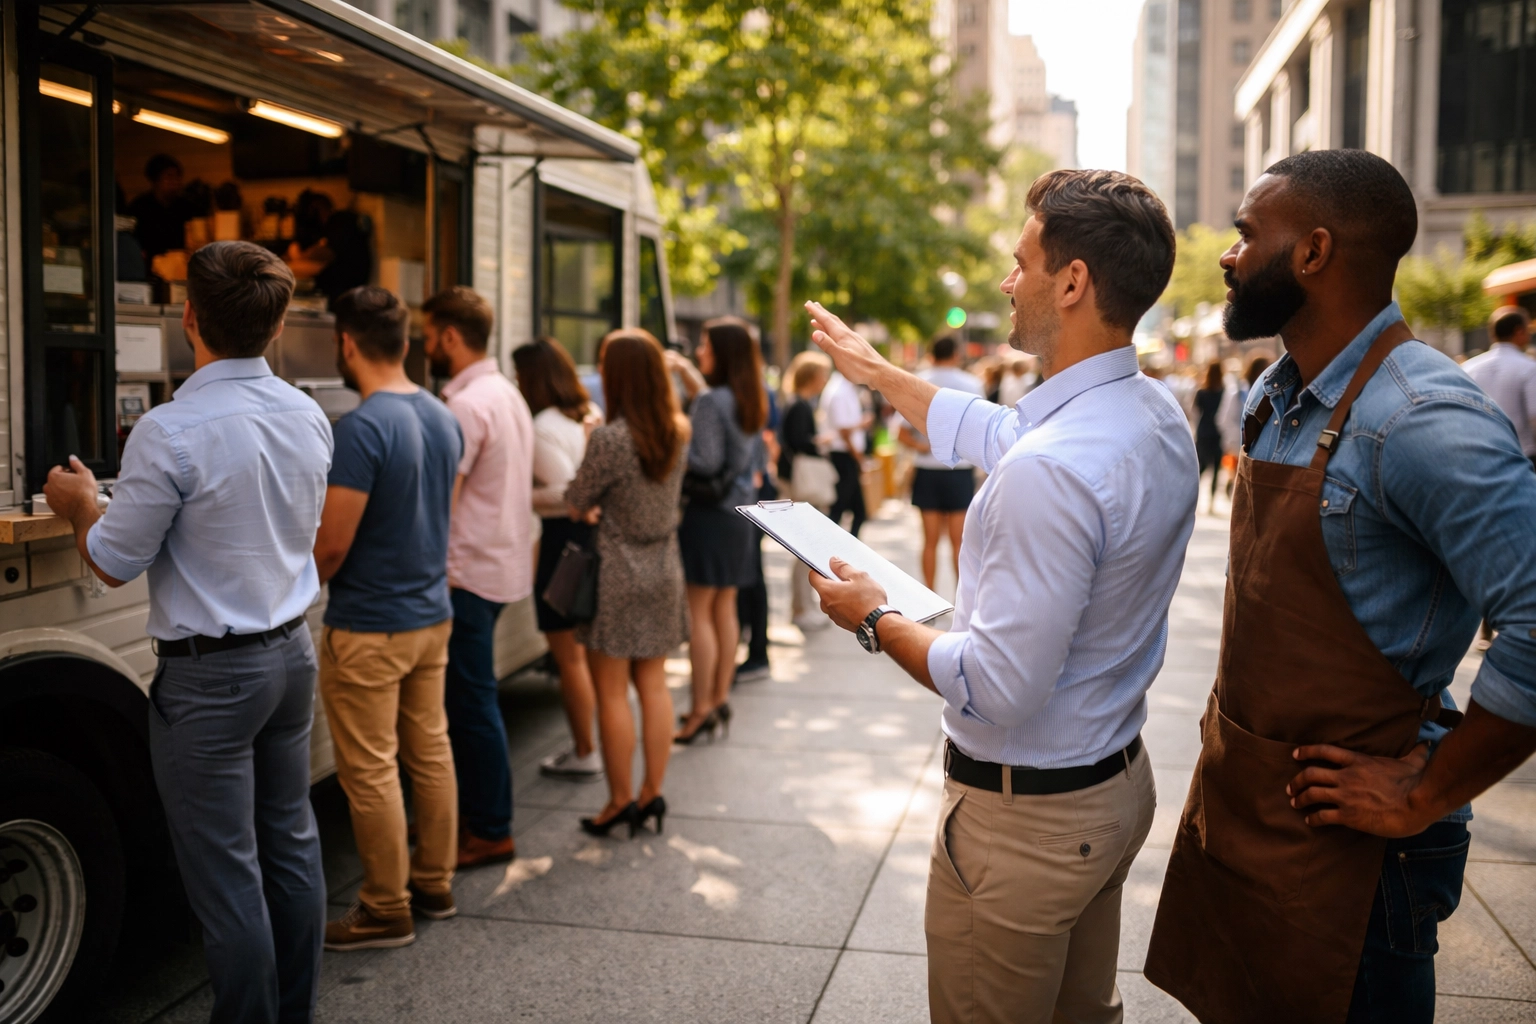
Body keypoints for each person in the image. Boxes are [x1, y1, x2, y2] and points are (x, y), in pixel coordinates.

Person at [1144, 149, 1536, 1024]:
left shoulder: (1422, 417)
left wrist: (1429, 790)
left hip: (1362, 862)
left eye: (1248, 234)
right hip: (1248, 817)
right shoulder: (1274, 396)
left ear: (1314, 252)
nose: (1229, 253)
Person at [804, 168, 1193, 1023]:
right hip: (1111, 790)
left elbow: (996, 687)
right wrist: (878, 373)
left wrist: (872, 613)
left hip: (1027, 824)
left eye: (1020, 262)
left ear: (1073, 281)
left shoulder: (1051, 471)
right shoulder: (1152, 413)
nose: (1006, 281)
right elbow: (997, 429)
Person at [44, 241, 331, 1024]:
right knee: (292, 848)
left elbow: (110, 561)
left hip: (211, 681)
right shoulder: (308, 413)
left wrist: (77, 503)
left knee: (227, 874)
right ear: (274, 328)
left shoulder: (169, 431)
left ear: (189, 318)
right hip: (289, 656)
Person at [312, 286, 463, 950]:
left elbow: (332, 545)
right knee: (429, 752)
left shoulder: (362, 428)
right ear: (406, 343)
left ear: (347, 344)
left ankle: (384, 907)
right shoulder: (440, 414)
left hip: (371, 624)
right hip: (431, 613)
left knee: (372, 769)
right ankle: (434, 882)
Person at [422, 286, 535, 867]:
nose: (423, 344)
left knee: (471, 706)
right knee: (475, 702)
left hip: (467, 573)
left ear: (449, 336)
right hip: (500, 565)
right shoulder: (505, 393)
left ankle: (490, 828)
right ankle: (482, 819)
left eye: (428, 333)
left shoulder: (466, 405)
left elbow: (444, 500)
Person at [564, 329, 690, 838]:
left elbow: (577, 498)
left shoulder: (609, 438)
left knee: (612, 692)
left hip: (615, 571)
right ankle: (650, 793)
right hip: (664, 567)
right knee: (654, 685)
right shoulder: (678, 431)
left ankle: (618, 802)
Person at [669, 317, 768, 743]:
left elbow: (705, 462)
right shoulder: (750, 397)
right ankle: (719, 697)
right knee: (725, 609)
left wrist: (677, 445)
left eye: (706, 345)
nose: (699, 352)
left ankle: (700, 707)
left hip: (708, 517)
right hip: (740, 515)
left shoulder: (712, 401)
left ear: (722, 352)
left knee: (699, 613)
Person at [513, 337, 604, 781]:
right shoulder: (586, 416)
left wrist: (515, 492)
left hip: (563, 543)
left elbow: (570, 492)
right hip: (585, 541)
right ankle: (588, 746)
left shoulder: (544, 425)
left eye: (518, 374)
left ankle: (585, 750)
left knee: (568, 657)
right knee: (580, 655)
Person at [896, 335, 985, 590]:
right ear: (956, 354)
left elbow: (901, 432)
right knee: (960, 543)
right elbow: (979, 430)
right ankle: (962, 601)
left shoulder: (919, 380)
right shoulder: (972, 383)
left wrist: (925, 446)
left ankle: (929, 597)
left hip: (928, 470)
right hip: (959, 470)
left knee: (930, 541)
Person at [779, 350, 836, 632]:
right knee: (807, 547)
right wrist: (819, 443)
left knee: (808, 547)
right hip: (803, 485)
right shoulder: (800, 406)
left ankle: (804, 605)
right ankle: (801, 607)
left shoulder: (799, 404)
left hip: (798, 482)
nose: (825, 380)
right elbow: (800, 443)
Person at [1463, 305, 1536, 469]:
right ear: (1519, 331)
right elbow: (1534, 417)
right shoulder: (1529, 368)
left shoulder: (1468, 368)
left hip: (1478, 457)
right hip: (1521, 457)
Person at [822, 366, 869, 536]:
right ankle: (832, 552)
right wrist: (859, 458)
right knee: (838, 510)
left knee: (858, 512)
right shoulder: (839, 392)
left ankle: (848, 552)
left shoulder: (846, 389)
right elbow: (843, 432)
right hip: (844, 457)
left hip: (848, 456)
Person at [127, 154, 191, 261]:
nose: (175, 182)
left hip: (180, 266)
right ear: (155, 180)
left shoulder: (186, 207)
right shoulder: (140, 207)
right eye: (169, 177)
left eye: (178, 177)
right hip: (148, 268)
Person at [1192, 361, 1226, 511]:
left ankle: (1192, 497)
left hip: (1203, 432)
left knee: (1202, 466)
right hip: (1218, 433)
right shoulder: (1224, 392)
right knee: (1216, 468)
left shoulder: (1201, 392)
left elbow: (1194, 412)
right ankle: (1211, 503)